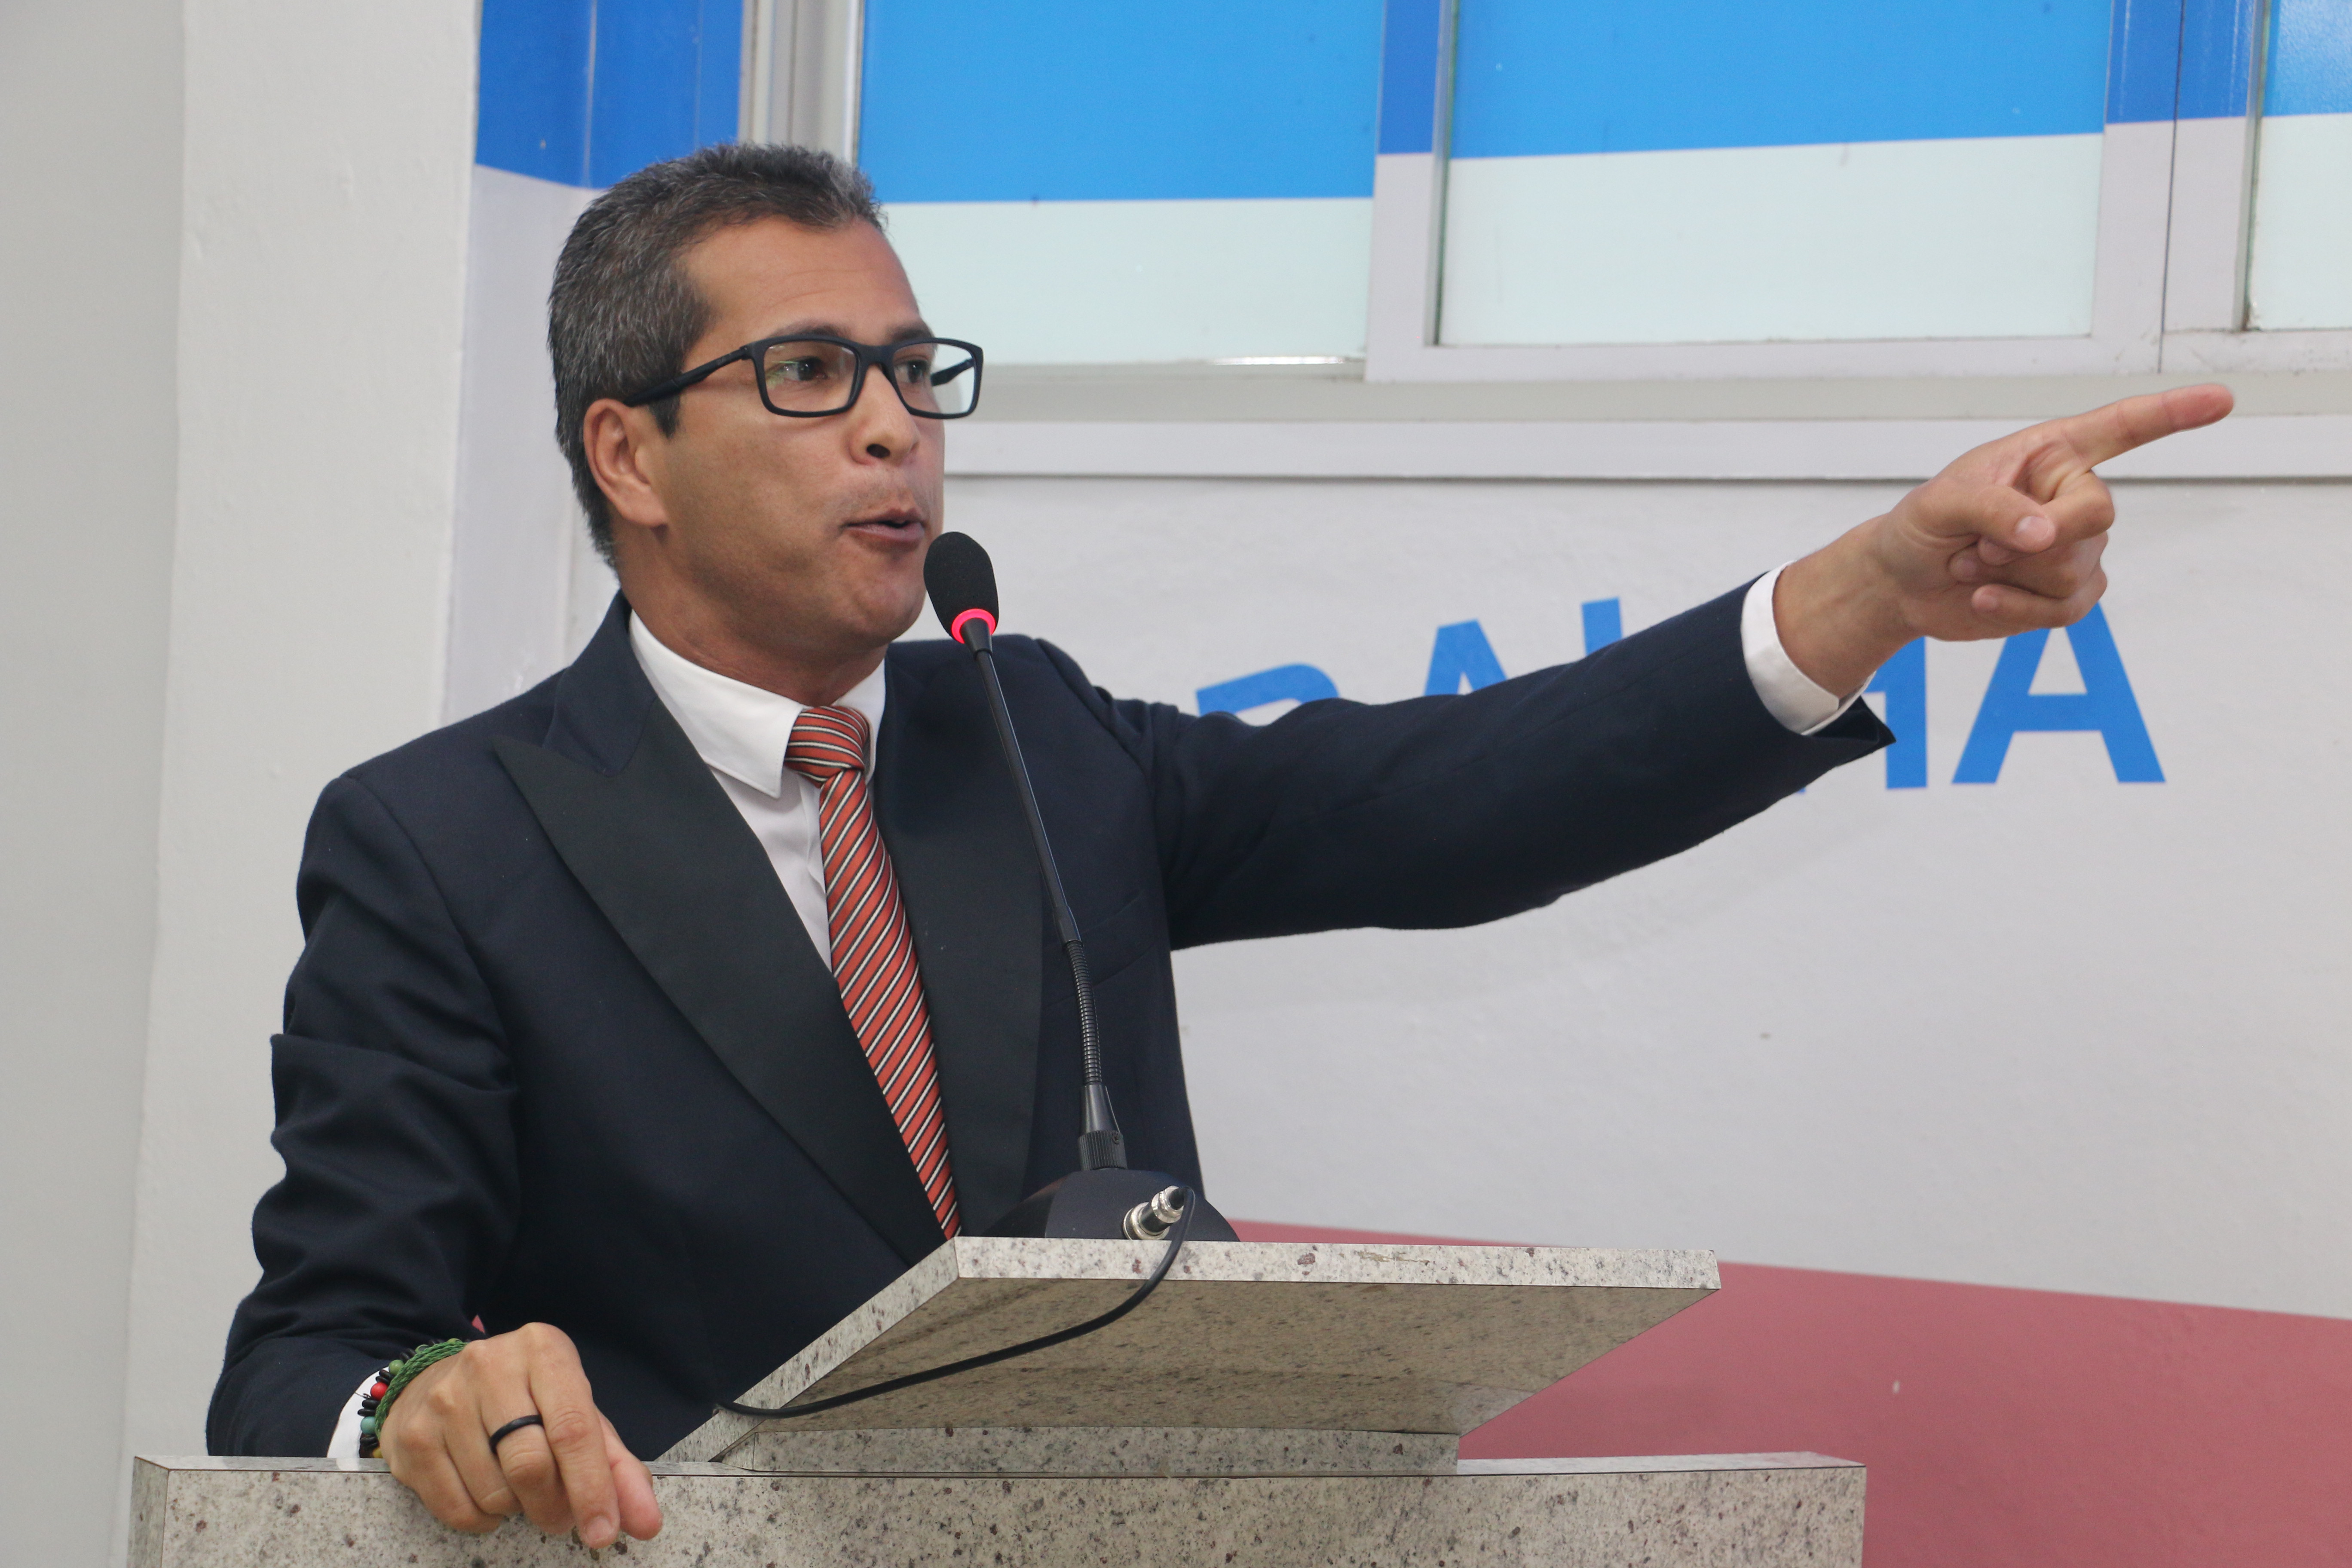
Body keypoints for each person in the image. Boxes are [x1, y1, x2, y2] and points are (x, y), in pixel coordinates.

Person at [204, 143, 2231, 1549]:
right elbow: (305, 1357)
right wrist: (425, 1401)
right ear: (628, 453)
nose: (898, 428)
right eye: (811, 377)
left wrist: (1873, 590)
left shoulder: (1029, 735)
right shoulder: (442, 842)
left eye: (915, 372)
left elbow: (1458, 798)